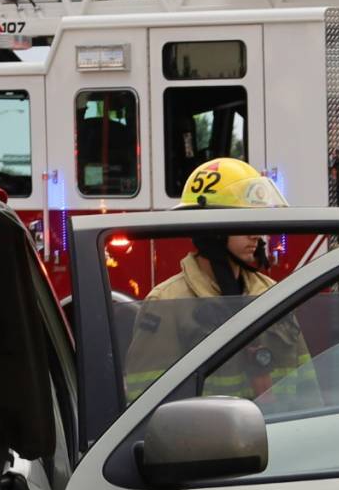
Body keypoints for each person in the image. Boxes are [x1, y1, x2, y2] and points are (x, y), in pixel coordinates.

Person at [122, 157, 310, 404]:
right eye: (244, 223)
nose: (256, 234)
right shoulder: (167, 303)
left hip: (280, 438)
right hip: (204, 442)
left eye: (258, 221)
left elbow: (308, 386)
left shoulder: (272, 294)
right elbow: (144, 403)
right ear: (212, 228)